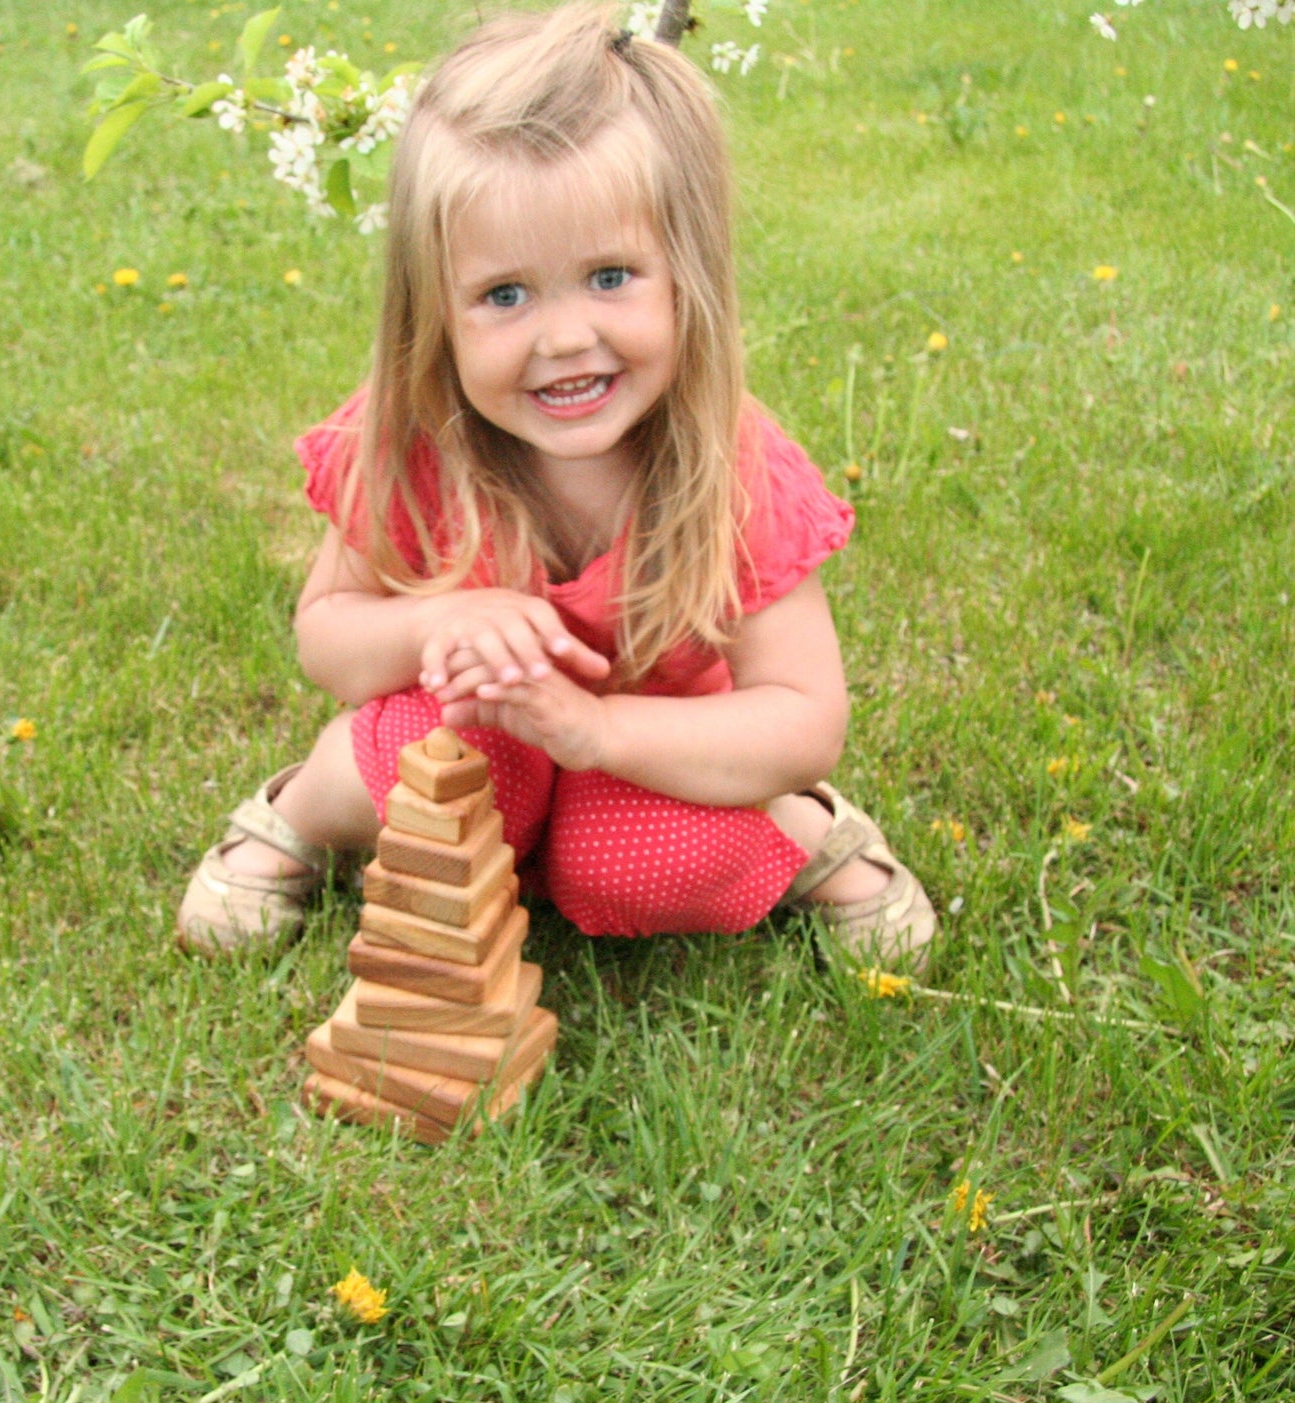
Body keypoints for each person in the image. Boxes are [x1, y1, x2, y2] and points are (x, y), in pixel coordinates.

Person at [177, 3, 936, 965]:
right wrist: (433, 623)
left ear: (685, 273)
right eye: (504, 295)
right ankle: (299, 817)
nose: (564, 337)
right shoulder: (412, 439)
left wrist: (599, 729)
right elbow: (328, 636)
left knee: (639, 862)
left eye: (611, 275)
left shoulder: (733, 471)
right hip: (474, 737)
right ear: (433, 312)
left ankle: (806, 836)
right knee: (417, 758)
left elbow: (801, 714)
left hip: (661, 751)